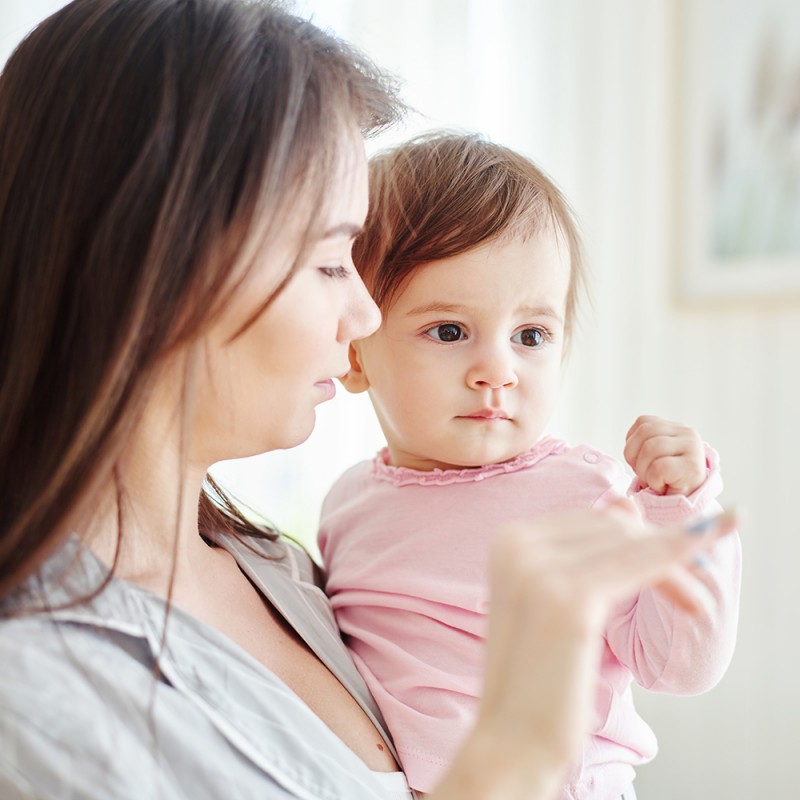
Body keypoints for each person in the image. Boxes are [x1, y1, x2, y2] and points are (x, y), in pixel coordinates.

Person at [0, 2, 736, 799]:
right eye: (329, 263)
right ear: (150, 268)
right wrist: (514, 756)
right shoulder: (34, 685)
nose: (365, 314)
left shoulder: (280, 567)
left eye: (532, 334)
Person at [318, 133, 743, 798]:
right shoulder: (347, 505)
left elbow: (682, 666)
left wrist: (682, 510)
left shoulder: (589, 495)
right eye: (451, 332)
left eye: (530, 336)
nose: (499, 371)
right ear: (352, 354)